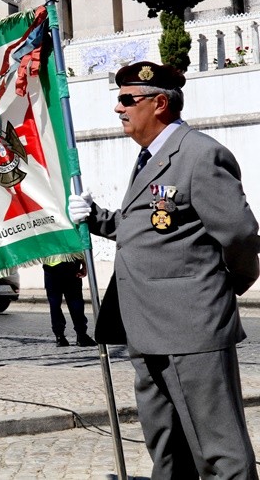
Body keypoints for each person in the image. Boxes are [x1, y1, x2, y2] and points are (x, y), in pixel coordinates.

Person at [69, 60, 260, 479]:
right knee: (167, 446)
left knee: (218, 450)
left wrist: (229, 286)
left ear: (159, 103)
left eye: (126, 100)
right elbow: (147, 228)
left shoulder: (199, 154)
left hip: (191, 327)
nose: (118, 109)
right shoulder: (149, 158)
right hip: (146, 328)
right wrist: (95, 217)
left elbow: (242, 235)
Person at [42, 256, 95, 348]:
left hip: (50, 266)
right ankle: (81, 335)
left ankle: (60, 337)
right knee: (75, 302)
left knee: (55, 305)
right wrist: (84, 264)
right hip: (69, 266)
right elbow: (77, 246)